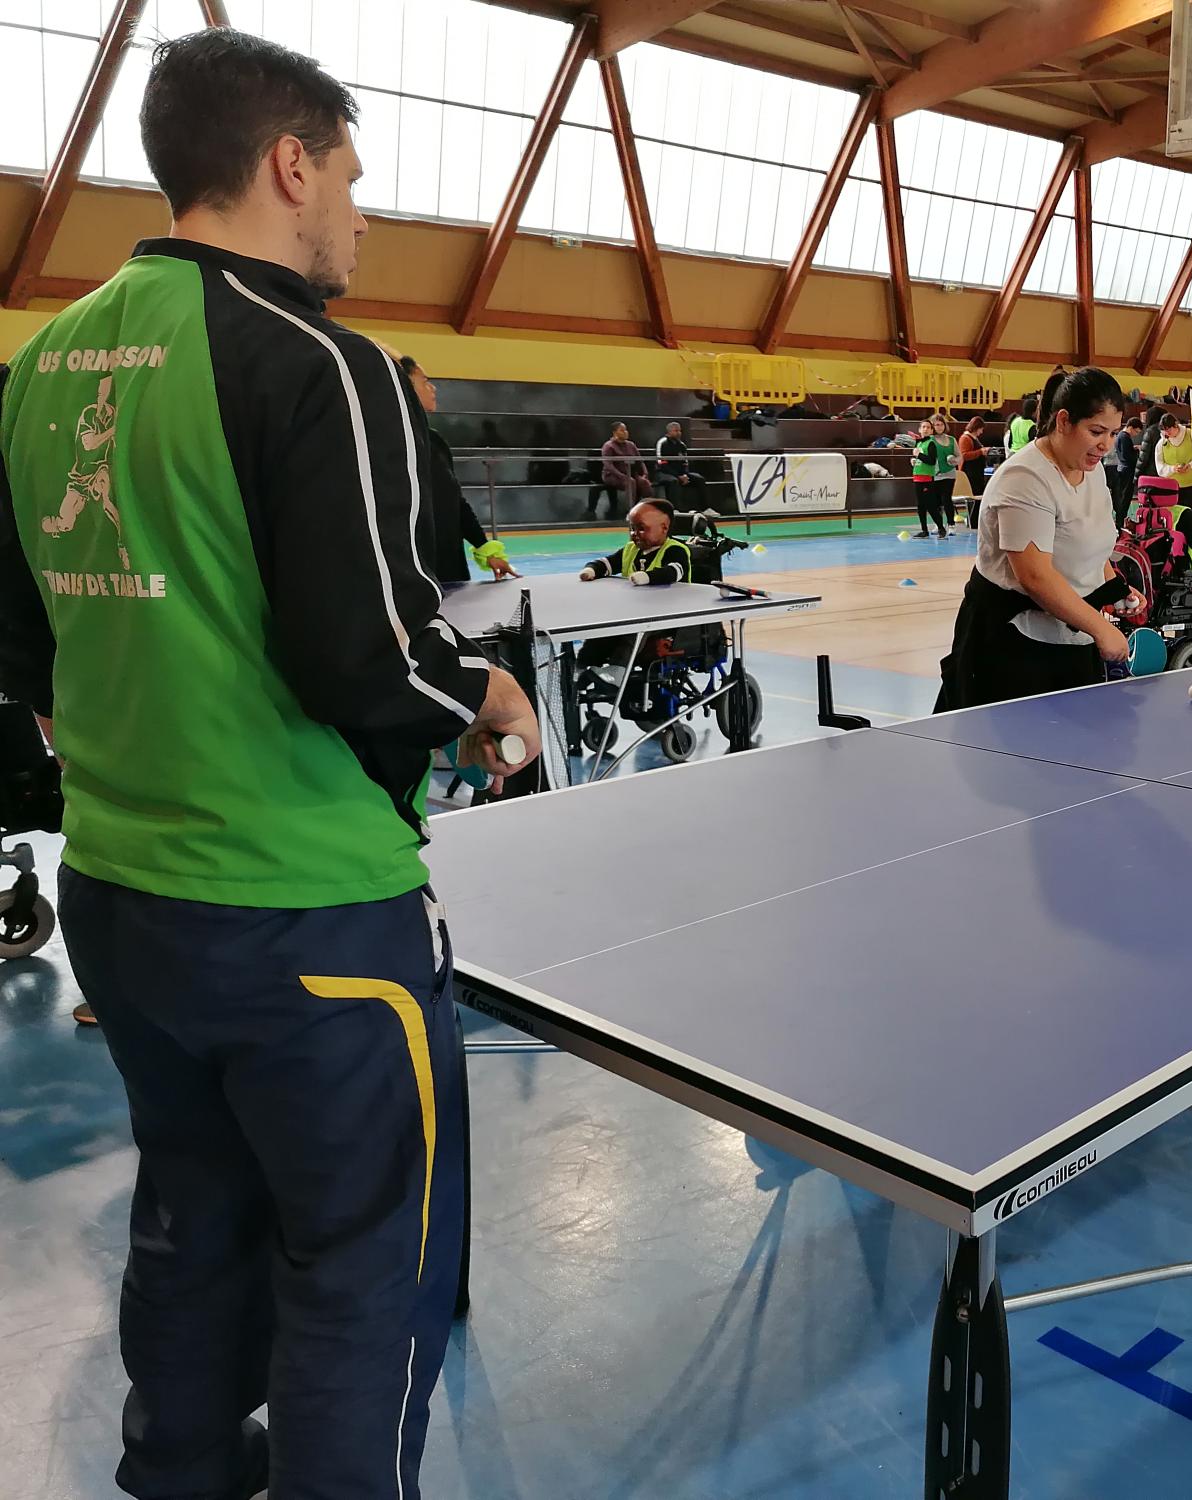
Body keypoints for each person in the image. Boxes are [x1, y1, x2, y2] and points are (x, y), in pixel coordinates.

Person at [0, 29, 542, 1500]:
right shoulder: (320, 362)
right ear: (288, 164)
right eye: (351, 180)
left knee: (191, 1211)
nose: (360, 216)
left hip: (123, 901)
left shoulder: (42, 363)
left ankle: (177, 1469)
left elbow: (22, 646)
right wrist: (484, 691)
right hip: (310, 920)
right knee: (365, 1264)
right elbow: (367, 655)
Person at [936, 367, 1135, 709]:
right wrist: (1102, 629)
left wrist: (1115, 589)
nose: (1106, 445)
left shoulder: (1091, 469)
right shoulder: (1025, 479)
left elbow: (1089, 543)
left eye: (1113, 433)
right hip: (1010, 645)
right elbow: (1035, 576)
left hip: (1071, 634)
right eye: (1096, 431)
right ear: (1063, 421)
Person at [394, 354, 518, 584]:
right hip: (413, 571)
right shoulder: (388, 445)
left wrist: (486, 548)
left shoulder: (435, 442)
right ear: (403, 386)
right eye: (425, 381)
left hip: (450, 567)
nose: (433, 388)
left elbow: (455, 501)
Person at [578, 500, 691, 586]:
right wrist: (592, 569)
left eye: (641, 528)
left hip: (670, 603)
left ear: (664, 528)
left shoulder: (675, 550)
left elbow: (673, 572)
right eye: (632, 528)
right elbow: (608, 563)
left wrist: (647, 577)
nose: (634, 533)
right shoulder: (630, 549)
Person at [910, 418, 957, 538]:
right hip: (917, 476)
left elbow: (931, 461)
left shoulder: (931, 443)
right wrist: (914, 460)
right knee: (920, 506)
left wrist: (919, 455)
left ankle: (941, 528)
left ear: (931, 430)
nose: (925, 429)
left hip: (927, 478)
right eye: (923, 427)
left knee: (931, 505)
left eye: (928, 427)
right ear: (919, 429)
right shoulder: (919, 443)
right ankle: (924, 530)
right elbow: (920, 459)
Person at [1154, 410, 1192, 517]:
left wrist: (1191, 465)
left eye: (1169, 430)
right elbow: (1160, 466)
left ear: (1176, 425)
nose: (1167, 433)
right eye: (1164, 431)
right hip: (1173, 486)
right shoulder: (1161, 443)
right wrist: (1173, 469)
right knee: (1176, 513)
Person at [592, 421, 646, 520]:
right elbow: (608, 465)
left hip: (630, 473)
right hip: (612, 476)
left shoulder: (631, 445)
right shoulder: (608, 446)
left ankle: (648, 510)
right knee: (630, 482)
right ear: (614, 432)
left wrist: (644, 473)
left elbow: (640, 460)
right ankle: (630, 512)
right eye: (622, 430)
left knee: (644, 482)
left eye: (626, 430)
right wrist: (622, 476)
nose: (625, 432)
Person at [652, 419, 707, 511]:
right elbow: (662, 464)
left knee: (699, 479)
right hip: (663, 473)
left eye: (679, 431)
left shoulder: (682, 445)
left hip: (680, 473)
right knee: (674, 481)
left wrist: (684, 475)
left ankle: (705, 508)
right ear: (669, 432)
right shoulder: (662, 443)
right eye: (676, 431)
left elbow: (685, 463)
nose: (679, 433)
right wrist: (678, 476)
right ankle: (675, 509)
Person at [957, 414, 1000, 530]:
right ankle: (973, 521)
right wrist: (980, 452)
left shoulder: (974, 438)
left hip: (976, 472)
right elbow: (964, 455)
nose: (981, 432)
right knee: (974, 497)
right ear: (976, 428)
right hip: (970, 473)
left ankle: (976, 520)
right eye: (981, 429)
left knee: (978, 496)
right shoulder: (965, 438)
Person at [1111, 415, 1144, 529]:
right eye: (1136, 431)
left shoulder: (1120, 435)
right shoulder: (1125, 437)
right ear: (1131, 427)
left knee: (1122, 497)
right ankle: (1120, 523)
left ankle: (1120, 522)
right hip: (1127, 470)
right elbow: (1127, 456)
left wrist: (1133, 448)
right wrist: (1137, 453)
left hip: (1122, 469)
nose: (1136, 434)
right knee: (1125, 499)